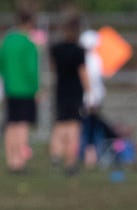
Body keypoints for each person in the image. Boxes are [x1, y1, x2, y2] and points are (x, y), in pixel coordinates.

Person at [49, 9, 89, 176]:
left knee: (60, 124)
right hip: (75, 92)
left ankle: (56, 154)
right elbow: (83, 73)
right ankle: (70, 162)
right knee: (73, 127)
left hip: (60, 90)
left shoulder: (56, 49)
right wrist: (90, 91)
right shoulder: (79, 51)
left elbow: (53, 69)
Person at [0, 6, 39, 174]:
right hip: (25, 90)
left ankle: (11, 160)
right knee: (22, 125)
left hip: (10, 88)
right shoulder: (28, 43)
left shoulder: (6, 41)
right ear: (29, 22)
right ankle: (20, 162)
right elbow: (32, 70)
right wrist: (36, 88)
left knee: (11, 124)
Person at [78, 29, 106, 168]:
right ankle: (90, 156)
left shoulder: (85, 58)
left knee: (86, 127)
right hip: (91, 100)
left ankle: (87, 155)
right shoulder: (94, 60)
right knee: (90, 128)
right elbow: (93, 81)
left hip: (87, 99)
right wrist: (92, 99)